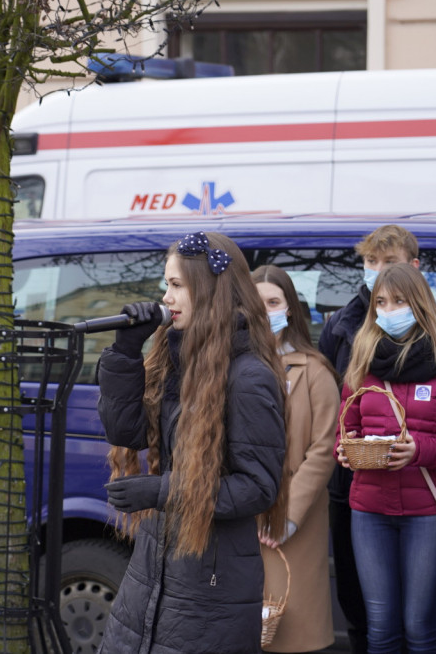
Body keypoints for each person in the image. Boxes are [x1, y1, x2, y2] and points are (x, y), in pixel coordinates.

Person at [97, 231, 288, 653]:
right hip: (155, 566)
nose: (166, 297)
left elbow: (257, 486)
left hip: (212, 585)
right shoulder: (173, 358)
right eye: (166, 284)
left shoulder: (248, 377)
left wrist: (162, 490)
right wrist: (126, 353)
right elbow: (123, 431)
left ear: (211, 290)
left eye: (178, 285)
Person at [332, 263, 436, 653]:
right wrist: (344, 450)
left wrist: (419, 451)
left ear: (420, 303)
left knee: (418, 625)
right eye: (380, 302)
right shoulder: (363, 357)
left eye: (398, 301)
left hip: (427, 512)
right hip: (370, 510)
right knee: (380, 626)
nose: (388, 310)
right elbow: (345, 428)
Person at [318, 224, 419, 654]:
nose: (378, 271)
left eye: (389, 262)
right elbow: (329, 408)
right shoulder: (341, 327)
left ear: (414, 268)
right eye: (370, 262)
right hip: (350, 487)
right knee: (360, 605)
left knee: (412, 614)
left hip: (418, 487)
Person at [252, 264, 338, 653]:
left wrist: (287, 514)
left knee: (291, 630)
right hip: (240, 514)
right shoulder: (227, 364)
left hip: (293, 518)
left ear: (289, 309)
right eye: (256, 304)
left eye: (273, 302)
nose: (265, 311)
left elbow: (324, 449)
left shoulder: (315, 370)